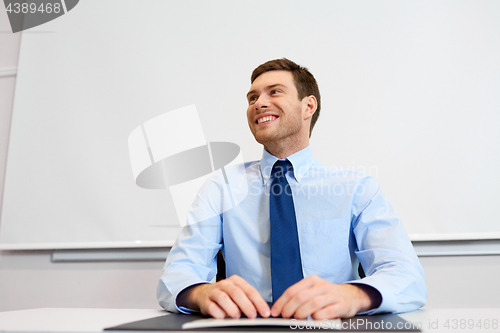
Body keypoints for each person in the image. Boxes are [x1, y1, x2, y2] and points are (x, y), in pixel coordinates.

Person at [157, 58, 426, 320]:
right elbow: (177, 274)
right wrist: (201, 293)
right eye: (252, 98)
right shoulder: (221, 187)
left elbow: (407, 276)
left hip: (330, 324)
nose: (259, 103)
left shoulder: (356, 189)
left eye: (274, 92)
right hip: (248, 326)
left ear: (308, 106)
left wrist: (353, 296)